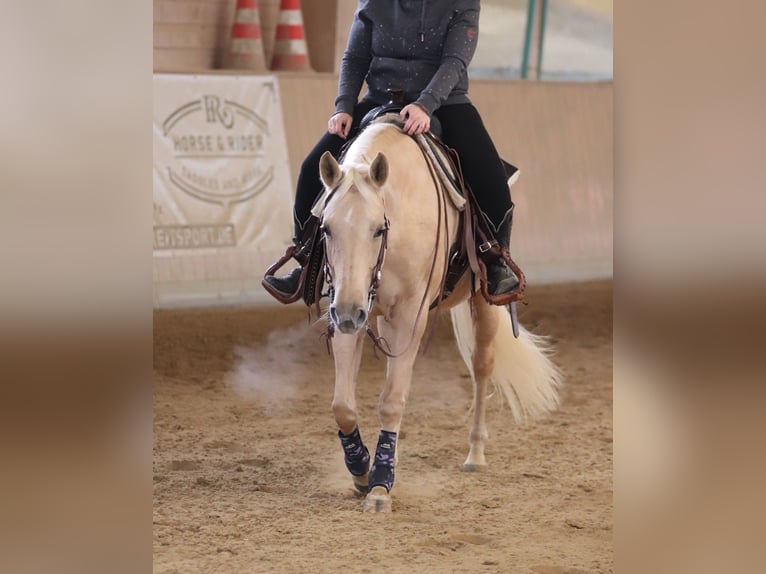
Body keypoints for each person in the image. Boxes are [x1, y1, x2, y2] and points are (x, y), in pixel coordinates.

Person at [264, 0, 520, 299]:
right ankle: (306, 259)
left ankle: (494, 259)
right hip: (380, 99)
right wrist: (344, 106)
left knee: (489, 175)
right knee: (311, 169)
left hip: (445, 102)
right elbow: (355, 57)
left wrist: (425, 104)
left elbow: (454, 62)